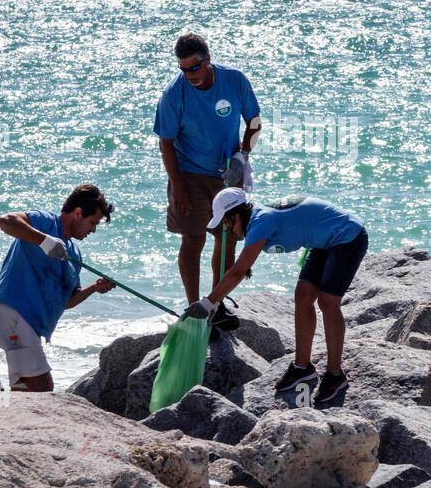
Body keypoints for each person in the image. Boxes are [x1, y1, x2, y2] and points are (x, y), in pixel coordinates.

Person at [184, 188, 368, 406]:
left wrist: (207, 303)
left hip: (348, 236)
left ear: (236, 214)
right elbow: (242, 265)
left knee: (327, 302)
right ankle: (302, 368)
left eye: (227, 223)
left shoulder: (262, 221)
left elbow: (237, 272)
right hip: (324, 241)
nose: (228, 229)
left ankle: (335, 376)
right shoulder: (256, 220)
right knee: (303, 296)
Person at [154, 33, 262, 320]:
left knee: (227, 239)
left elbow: (255, 122)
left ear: (208, 60)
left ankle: (215, 304)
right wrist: (178, 187)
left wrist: (243, 156)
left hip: (228, 171)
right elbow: (165, 143)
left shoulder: (235, 80)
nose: (189, 75)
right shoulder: (173, 94)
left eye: (194, 67)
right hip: (187, 173)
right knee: (193, 240)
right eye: (183, 69)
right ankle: (194, 307)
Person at [0, 185, 116, 391]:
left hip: (30, 326)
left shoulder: (74, 253)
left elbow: (66, 302)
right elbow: (4, 221)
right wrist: (44, 241)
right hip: (13, 313)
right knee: (43, 387)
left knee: (24, 391)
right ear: (77, 213)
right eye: (92, 222)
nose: (93, 229)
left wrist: (94, 287)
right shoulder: (46, 222)